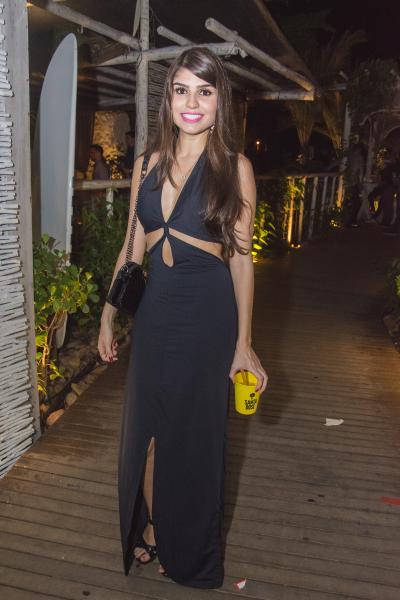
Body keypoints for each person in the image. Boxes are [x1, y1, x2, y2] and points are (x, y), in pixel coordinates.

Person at [98, 47, 268, 589]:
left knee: (191, 439)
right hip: (155, 313)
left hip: (207, 316)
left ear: (220, 102)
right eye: (181, 90)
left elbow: (241, 260)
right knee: (145, 435)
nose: (191, 102)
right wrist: (108, 314)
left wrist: (244, 344)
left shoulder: (234, 168)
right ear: (168, 99)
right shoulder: (145, 165)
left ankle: (183, 547)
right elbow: (132, 247)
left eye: (204, 91)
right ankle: (150, 527)